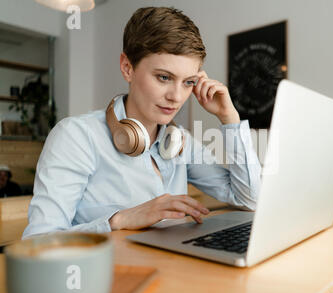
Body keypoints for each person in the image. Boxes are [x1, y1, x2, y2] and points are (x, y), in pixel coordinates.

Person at [22, 7, 261, 239]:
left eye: (188, 82)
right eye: (164, 77)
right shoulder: (76, 136)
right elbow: (38, 240)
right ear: (127, 68)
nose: (176, 97)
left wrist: (229, 118)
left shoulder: (179, 142)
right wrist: (119, 220)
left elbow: (250, 199)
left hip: (173, 271)